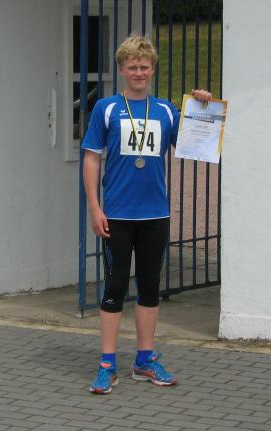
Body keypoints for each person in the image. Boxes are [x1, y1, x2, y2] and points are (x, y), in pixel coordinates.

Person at [81, 34, 212, 395]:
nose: (138, 72)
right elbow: (91, 158)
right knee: (114, 287)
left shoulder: (166, 110)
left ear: (153, 69)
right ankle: (107, 364)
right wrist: (95, 207)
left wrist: (202, 106)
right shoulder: (106, 108)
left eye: (144, 66)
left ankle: (144, 359)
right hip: (117, 215)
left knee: (150, 287)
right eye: (132, 67)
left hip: (155, 215)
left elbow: (197, 144)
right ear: (122, 70)